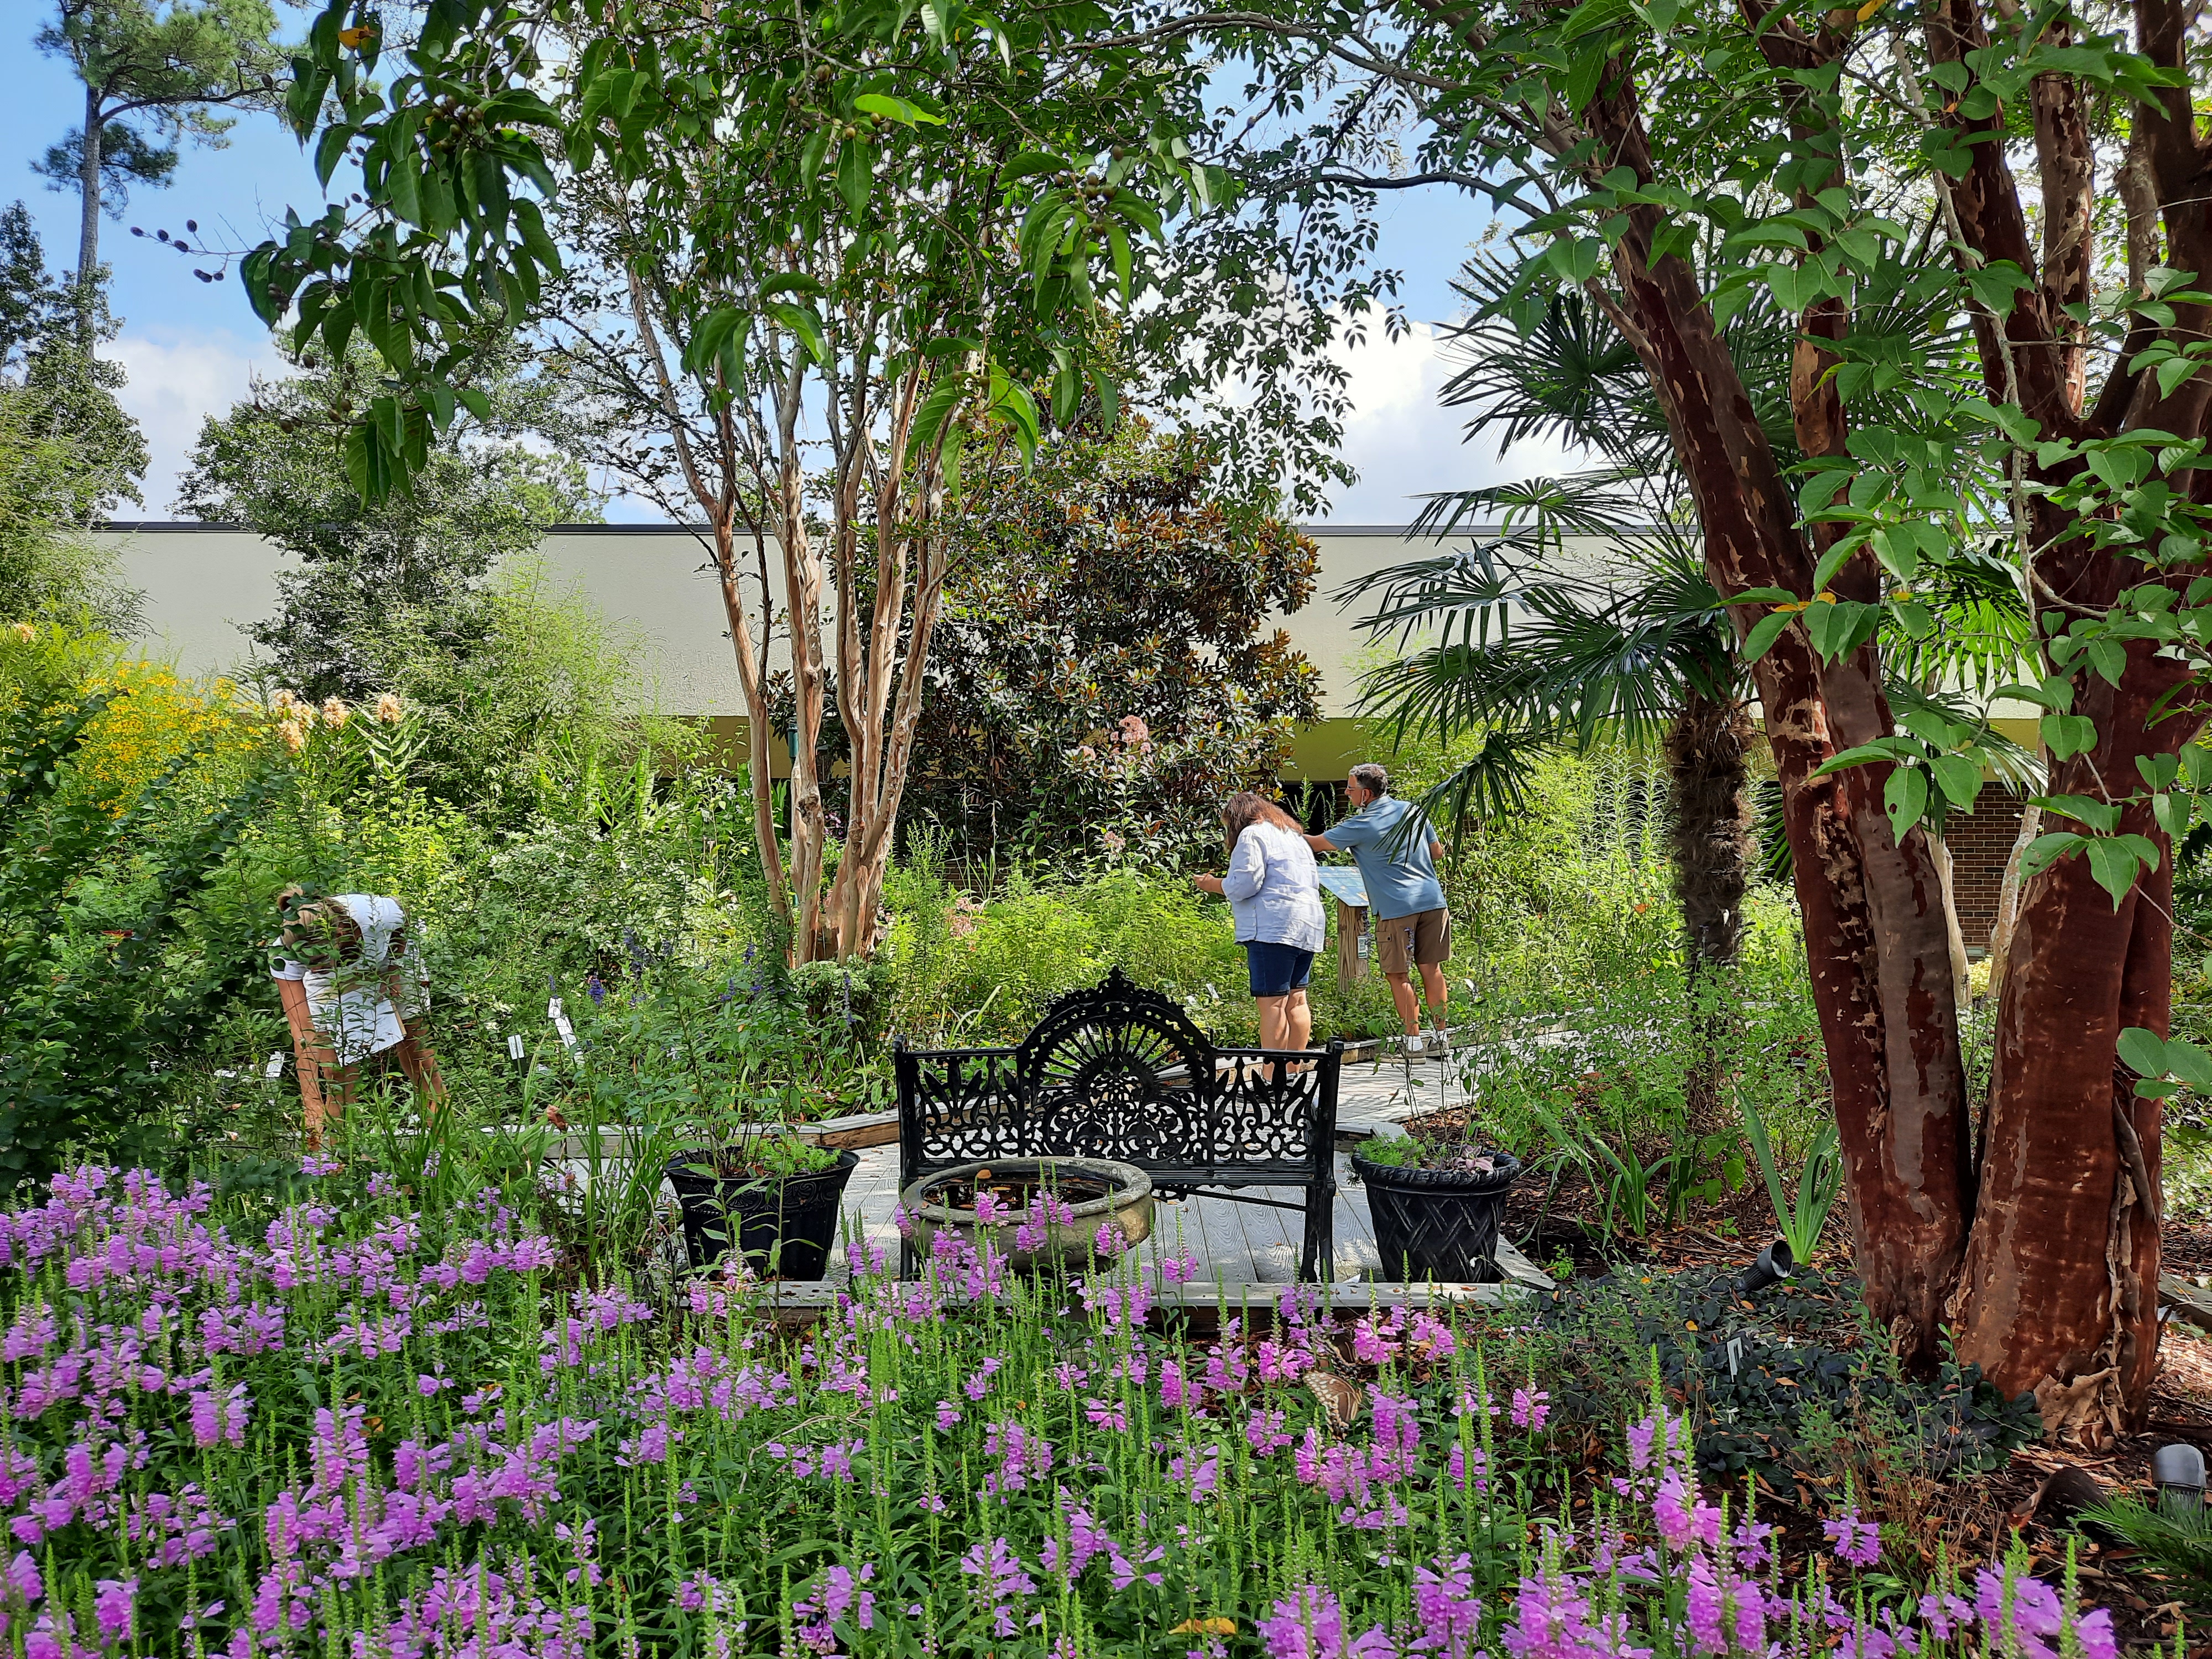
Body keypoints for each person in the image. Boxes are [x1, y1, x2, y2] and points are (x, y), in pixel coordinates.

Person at [272, 888, 447, 1147]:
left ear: (341, 932)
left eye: (320, 961)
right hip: (338, 976)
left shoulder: (381, 914)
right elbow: (303, 1033)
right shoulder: (286, 955)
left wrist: (394, 969)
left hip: (392, 954)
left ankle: (443, 1144)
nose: (315, 969)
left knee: (417, 1049)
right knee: (335, 1068)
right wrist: (311, 1103)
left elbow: (405, 928)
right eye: (309, 965)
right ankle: (337, 1156)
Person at [1307, 763, 1451, 1054]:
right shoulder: (1413, 810)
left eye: (1350, 789)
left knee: (1398, 974)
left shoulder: (1361, 824)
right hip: (1433, 901)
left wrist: (1280, 828)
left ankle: (1412, 1042)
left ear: (1367, 794)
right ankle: (1442, 1039)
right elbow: (1438, 852)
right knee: (1431, 969)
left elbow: (1316, 844)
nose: (1346, 793)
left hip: (1396, 907)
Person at [1194, 791, 1326, 1059]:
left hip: (1273, 927)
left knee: (1272, 1005)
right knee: (1297, 1001)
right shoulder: (1294, 836)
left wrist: (1211, 884)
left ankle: (1271, 1080)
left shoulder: (1252, 835)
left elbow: (1244, 884)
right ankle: (1292, 1073)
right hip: (1308, 924)